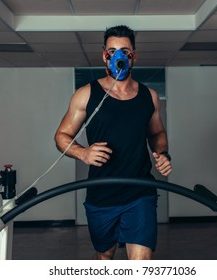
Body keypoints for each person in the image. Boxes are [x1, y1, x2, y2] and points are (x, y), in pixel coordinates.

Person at [54, 25, 172, 260]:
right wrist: (83, 153)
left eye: (125, 51)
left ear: (133, 56)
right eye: (112, 51)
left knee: (141, 261)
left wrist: (163, 154)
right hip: (102, 194)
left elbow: (157, 133)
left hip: (140, 191)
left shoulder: (149, 96)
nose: (118, 56)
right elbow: (61, 136)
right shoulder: (86, 94)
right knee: (105, 255)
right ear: (104, 56)